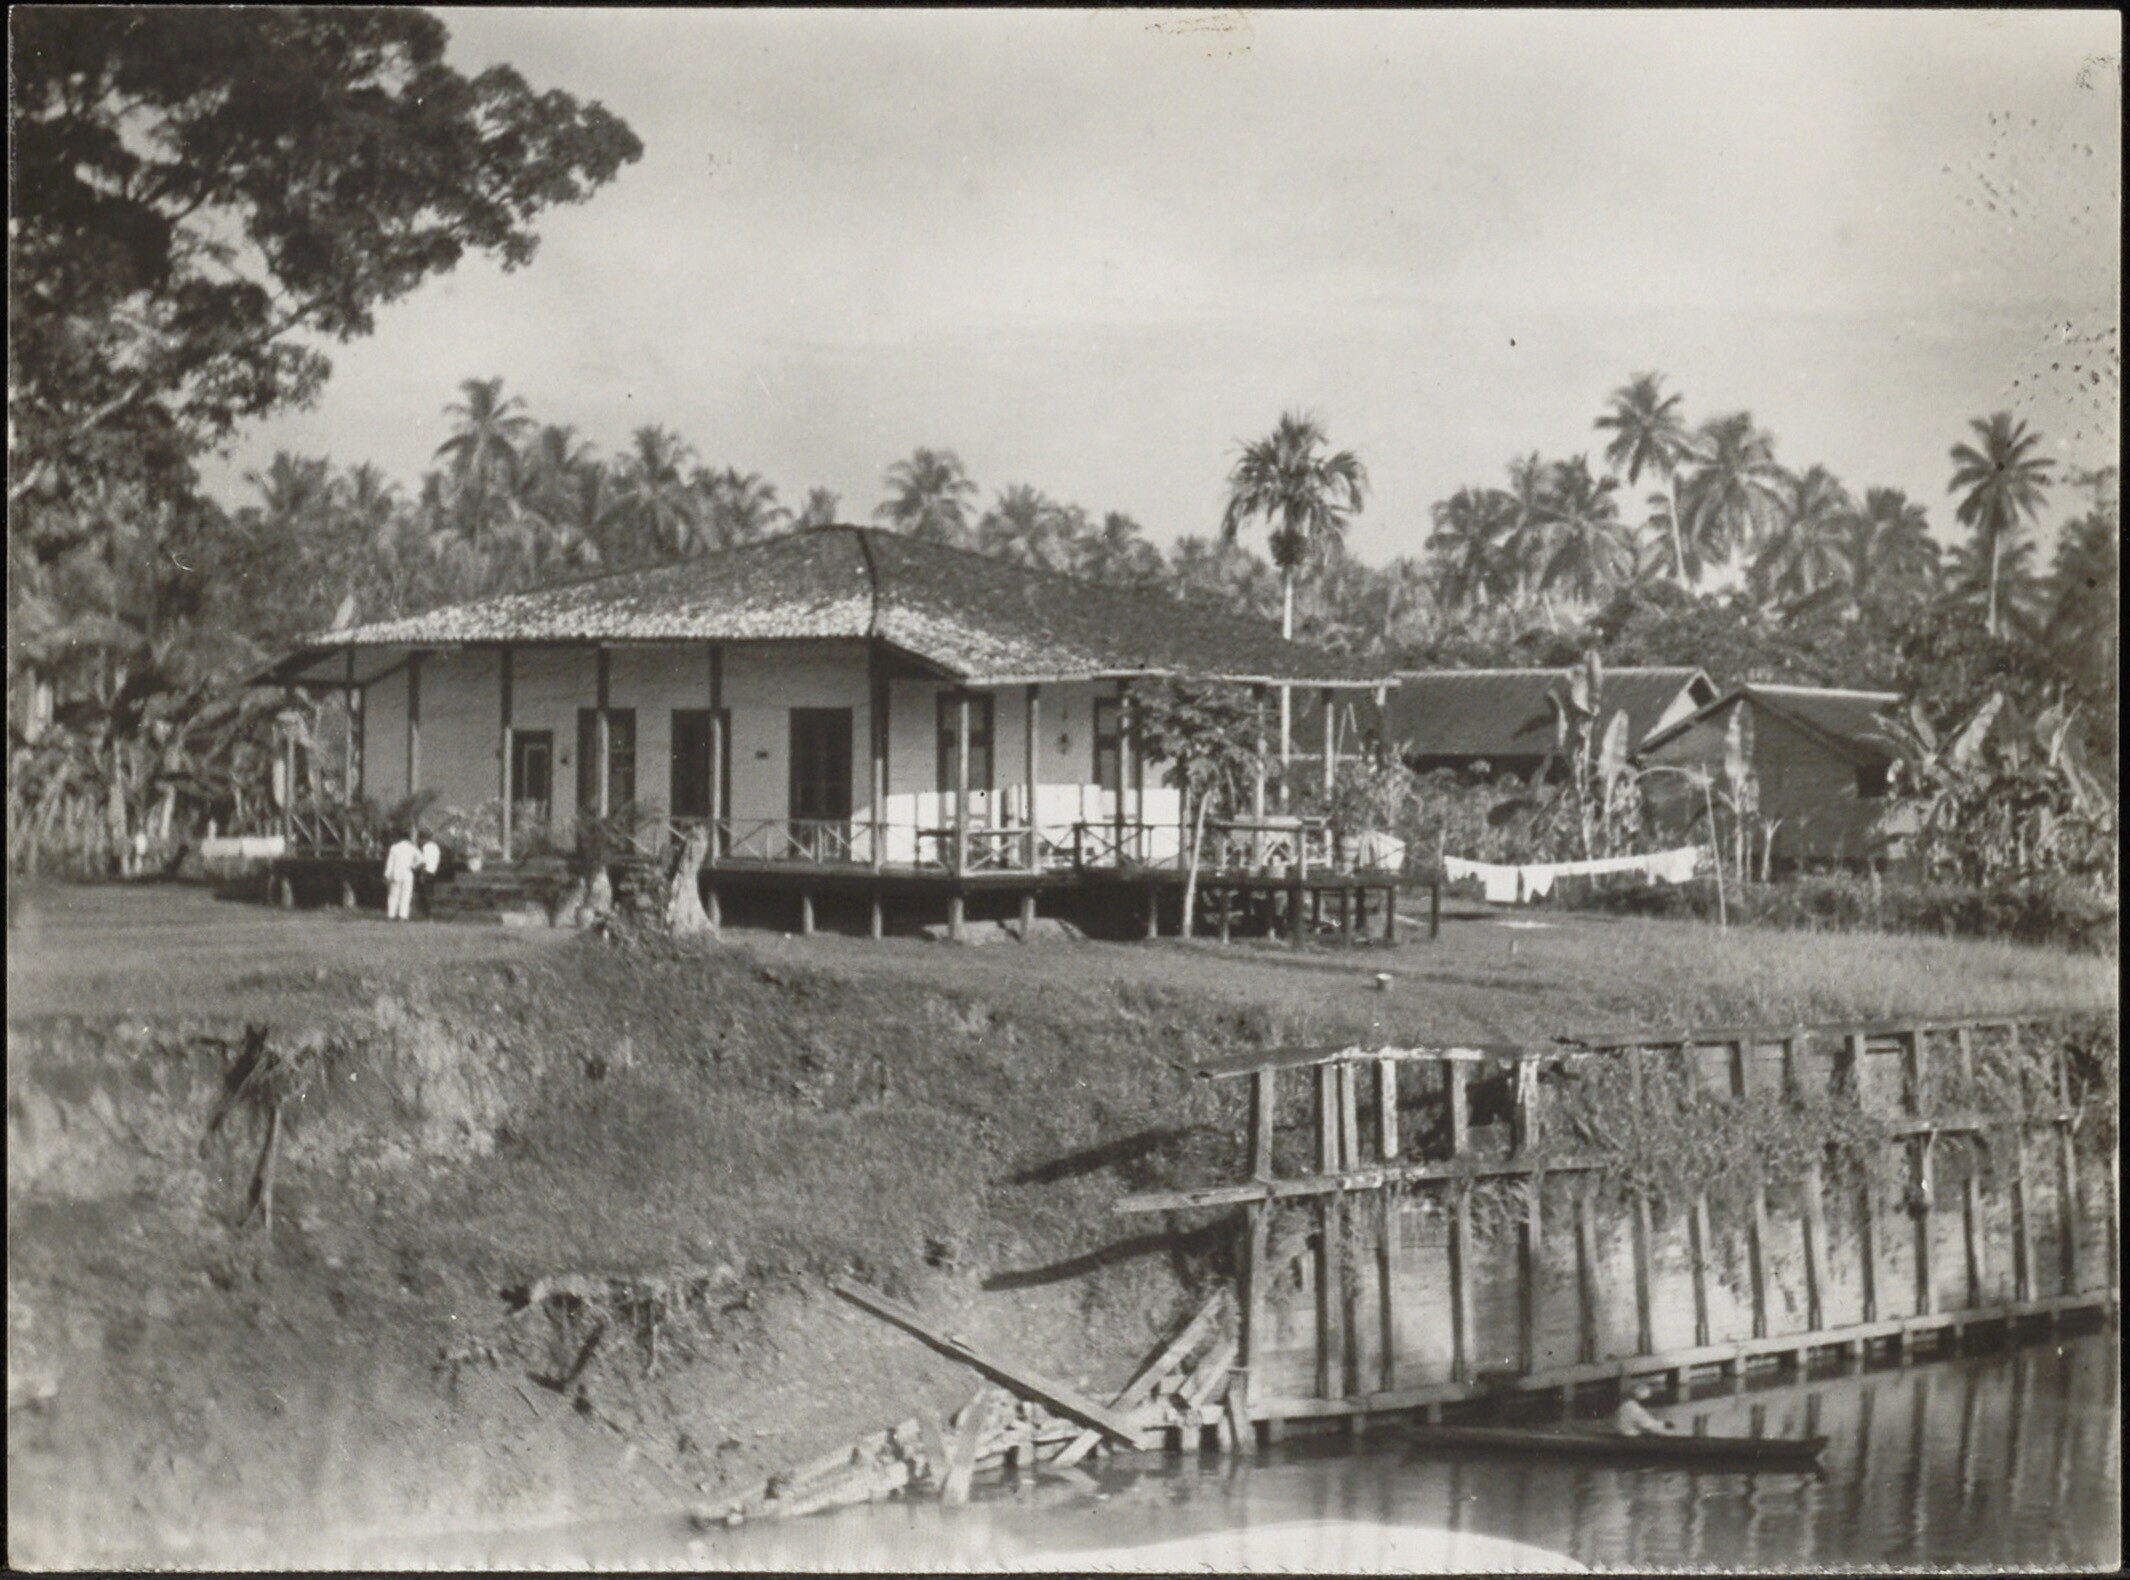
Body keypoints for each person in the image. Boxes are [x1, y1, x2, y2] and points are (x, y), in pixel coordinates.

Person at [384, 829, 422, 921]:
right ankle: (403, 916)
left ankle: (391, 915)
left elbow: (390, 863)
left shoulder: (394, 848)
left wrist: (387, 875)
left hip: (396, 873)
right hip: (408, 873)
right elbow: (421, 861)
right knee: (406, 895)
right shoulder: (412, 848)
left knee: (393, 895)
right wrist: (413, 866)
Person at [417, 829, 442, 917]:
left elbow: (424, 862)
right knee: (430, 892)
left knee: (425, 893)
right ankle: (430, 912)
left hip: (426, 871)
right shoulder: (436, 847)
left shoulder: (425, 847)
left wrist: (421, 874)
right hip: (433, 871)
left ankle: (428, 913)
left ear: (423, 839)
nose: (420, 842)